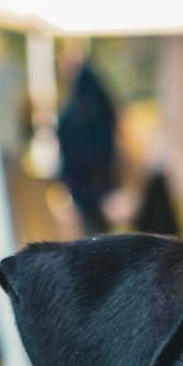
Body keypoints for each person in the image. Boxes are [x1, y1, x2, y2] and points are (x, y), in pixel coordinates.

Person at [56, 57, 118, 235]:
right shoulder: (96, 99)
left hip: (85, 183)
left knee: (93, 229)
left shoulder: (73, 110)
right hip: (97, 180)